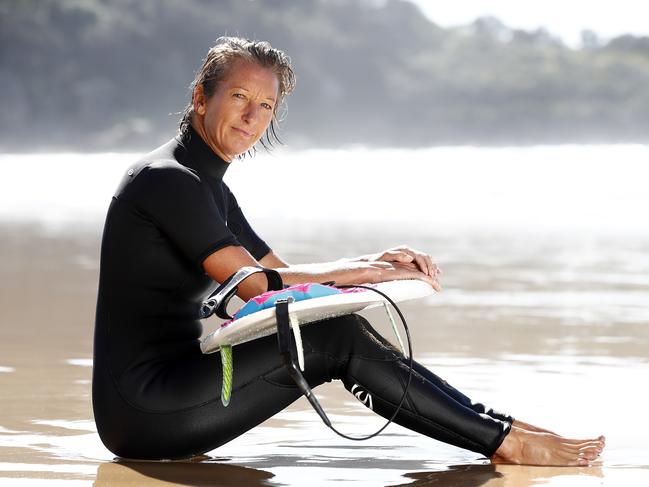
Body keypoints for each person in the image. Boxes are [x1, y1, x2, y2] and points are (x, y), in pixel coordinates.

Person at [92, 36, 605, 464]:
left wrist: (377, 262)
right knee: (334, 339)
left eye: (266, 105)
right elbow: (252, 287)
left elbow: (282, 275)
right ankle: (505, 442)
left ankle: (499, 427)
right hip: (146, 409)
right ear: (202, 98)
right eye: (240, 97)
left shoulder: (207, 188)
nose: (252, 117)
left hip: (171, 391)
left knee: (334, 330)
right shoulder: (167, 181)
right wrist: (365, 271)